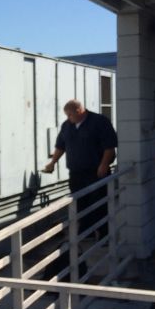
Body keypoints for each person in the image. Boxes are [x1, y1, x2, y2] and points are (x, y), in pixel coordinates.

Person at [43, 99, 117, 240]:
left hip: (96, 172)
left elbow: (110, 147)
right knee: (80, 203)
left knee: (99, 203)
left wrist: (104, 164)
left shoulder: (100, 122)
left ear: (79, 111)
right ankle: (86, 233)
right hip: (76, 173)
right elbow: (61, 146)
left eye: (70, 115)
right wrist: (52, 162)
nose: (68, 118)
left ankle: (104, 235)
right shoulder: (67, 126)